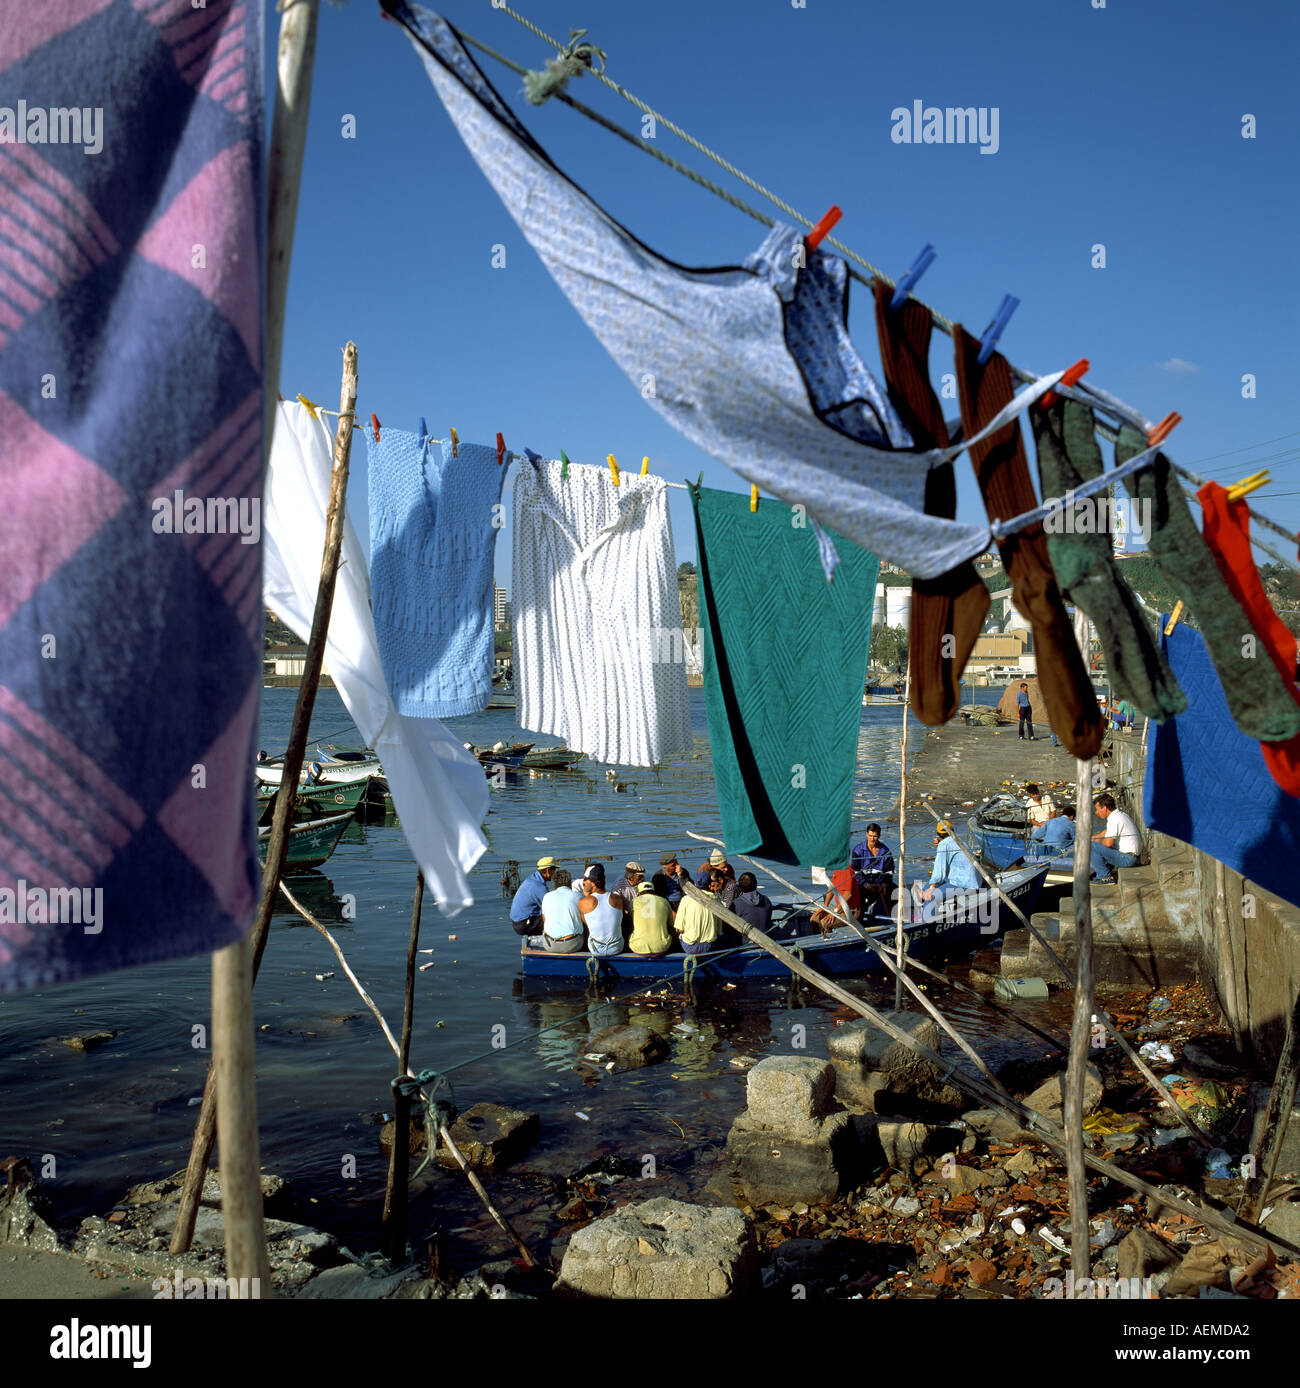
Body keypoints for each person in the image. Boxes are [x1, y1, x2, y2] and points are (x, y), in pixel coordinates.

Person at [917, 820, 980, 914]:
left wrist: (932, 888)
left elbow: (939, 872)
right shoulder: (958, 839)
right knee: (925, 888)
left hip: (965, 884)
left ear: (938, 835)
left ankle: (927, 922)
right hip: (971, 879)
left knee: (930, 898)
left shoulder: (944, 844)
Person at [1090, 793, 1142, 882]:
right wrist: (1093, 837)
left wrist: (1094, 842)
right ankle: (1104, 871)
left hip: (1129, 859)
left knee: (1092, 847)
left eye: (1098, 810)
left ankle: (1105, 878)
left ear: (1105, 808)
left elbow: (1108, 843)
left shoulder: (1114, 819)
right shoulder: (1119, 815)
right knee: (1095, 845)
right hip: (1133, 857)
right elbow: (1105, 832)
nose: (1096, 813)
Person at [578, 863, 625, 956]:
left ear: (593, 882)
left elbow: (587, 925)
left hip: (596, 949)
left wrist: (587, 896)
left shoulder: (583, 902)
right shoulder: (618, 899)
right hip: (617, 948)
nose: (583, 882)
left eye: (585, 879)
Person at [850, 821, 895, 916]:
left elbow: (889, 872)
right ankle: (860, 918)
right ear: (866, 834)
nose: (872, 839)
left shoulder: (886, 851)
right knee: (856, 894)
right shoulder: (858, 850)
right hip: (863, 884)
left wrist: (884, 884)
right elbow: (856, 872)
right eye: (870, 836)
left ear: (879, 836)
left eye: (875, 836)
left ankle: (887, 919)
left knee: (895, 892)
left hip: (880, 884)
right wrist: (866, 884)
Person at [673, 870, 722, 955]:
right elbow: (718, 932)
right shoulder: (716, 900)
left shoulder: (686, 899)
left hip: (690, 947)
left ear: (694, 884)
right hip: (709, 946)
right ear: (710, 885)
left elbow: (680, 929)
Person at [537, 869, 585, 953]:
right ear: (570, 883)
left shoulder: (546, 896)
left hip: (550, 946)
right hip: (573, 945)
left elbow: (544, 919)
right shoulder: (579, 896)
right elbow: (585, 920)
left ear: (554, 884)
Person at [509, 856, 556, 935]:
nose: (555, 873)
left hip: (517, 921)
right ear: (548, 870)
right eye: (554, 870)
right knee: (556, 916)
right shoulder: (539, 887)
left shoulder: (533, 879)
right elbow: (551, 909)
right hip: (523, 924)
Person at [628, 880, 674, 957]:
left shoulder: (633, 901)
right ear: (654, 892)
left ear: (639, 893)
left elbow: (629, 923)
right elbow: (671, 925)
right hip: (662, 948)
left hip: (638, 948)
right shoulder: (664, 901)